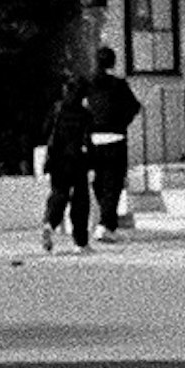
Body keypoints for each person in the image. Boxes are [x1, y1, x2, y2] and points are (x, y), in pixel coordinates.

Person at [81, 48, 140, 245]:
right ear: (113, 62)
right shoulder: (119, 84)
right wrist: (122, 122)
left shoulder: (89, 85)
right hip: (115, 138)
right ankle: (106, 224)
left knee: (99, 183)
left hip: (94, 139)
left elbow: (82, 109)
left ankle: (108, 224)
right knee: (113, 184)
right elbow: (134, 106)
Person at [39, 78, 89, 256]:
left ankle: (50, 223)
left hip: (57, 159)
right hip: (77, 159)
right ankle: (80, 242)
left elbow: (45, 130)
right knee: (80, 200)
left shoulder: (56, 110)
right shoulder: (83, 113)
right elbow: (88, 138)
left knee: (59, 193)